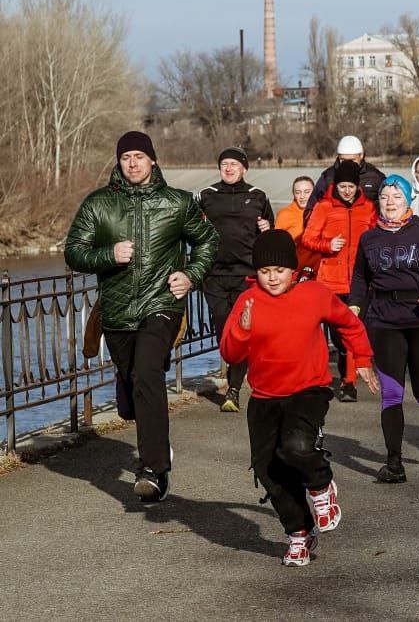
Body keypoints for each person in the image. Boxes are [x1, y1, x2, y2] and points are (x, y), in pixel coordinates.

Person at [65, 131, 218, 502]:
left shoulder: (178, 203)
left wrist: (191, 275)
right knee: (131, 394)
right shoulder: (99, 204)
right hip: (117, 312)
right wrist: (108, 255)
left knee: (147, 372)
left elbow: (208, 241)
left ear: (152, 160)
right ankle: (147, 427)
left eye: (139, 156)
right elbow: (73, 251)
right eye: (126, 157)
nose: (132, 163)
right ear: (118, 162)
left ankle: (153, 470)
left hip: (161, 304)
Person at [220, 229, 378, 566]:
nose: (272, 278)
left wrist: (361, 359)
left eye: (279, 271)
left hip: (308, 389)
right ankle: (299, 534)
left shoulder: (314, 294)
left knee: (296, 446)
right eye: (264, 271)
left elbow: (349, 324)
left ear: (293, 270)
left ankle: (322, 487)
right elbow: (231, 354)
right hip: (264, 396)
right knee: (268, 471)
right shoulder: (247, 301)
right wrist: (242, 329)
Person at [349, 176, 419, 484]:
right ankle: (394, 462)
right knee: (392, 392)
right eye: (384, 196)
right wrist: (356, 305)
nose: (390, 202)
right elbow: (359, 277)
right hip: (384, 319)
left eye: (397, 196)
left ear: (408, 200)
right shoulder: (370, 239)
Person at [199, 146, 275, 412]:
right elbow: (193, 230)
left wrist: (267, 228)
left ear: (244, 168)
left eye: (234, 164)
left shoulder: (257, 196)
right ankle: (237, 376)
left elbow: (270, 233)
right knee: (225, 334)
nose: (229, 168)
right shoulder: (207, 196)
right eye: (224, 165)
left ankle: (233, 389)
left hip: (247, 275)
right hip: (215, 275)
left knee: (243, 331)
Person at [302, 161, 377, 402]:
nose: (347, 191)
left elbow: (376, 237)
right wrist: (327, 245)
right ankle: (340, 371)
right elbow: (307, 239)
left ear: (357, 186)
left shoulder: (368, 208)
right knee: (338, 336)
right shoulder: (324, 207)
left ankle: (349, 383)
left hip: (359, 282)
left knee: (354, 331)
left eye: (351, 186)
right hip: (331, 281)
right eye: (343, 186)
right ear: (336, 184)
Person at [306, 135, 387, 219]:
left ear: (361, 155)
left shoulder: (376, 177)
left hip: (367, 228)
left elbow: (390, 205)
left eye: (352, 160)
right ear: (338, 156)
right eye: (343, 160)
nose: (348, 164)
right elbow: (311, 208)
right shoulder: (328, 177)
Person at [275, 176, 322, 280]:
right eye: (298, 192)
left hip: (319, 271)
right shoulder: (285, 215)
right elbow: (278, 247)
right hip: (296, 272)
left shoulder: (321, 212)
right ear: (293, 194)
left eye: (307, 192)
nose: (302, 196)